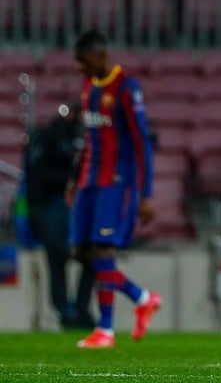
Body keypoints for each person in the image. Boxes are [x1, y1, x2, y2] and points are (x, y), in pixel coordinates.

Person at [65, 30, 161, 349]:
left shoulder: (126, 88)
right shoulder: (88, 87)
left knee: (103, 250)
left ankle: (105, 329)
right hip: (89, 183)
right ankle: (142, 298)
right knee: (80, 252)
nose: (80, 68)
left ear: (99, 56)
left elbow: (142, 143)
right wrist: (73, 180)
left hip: (116, 185)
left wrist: (146, 194)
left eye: (84, 62)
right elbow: (87, 138)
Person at [23, 101, 95, 329]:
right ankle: (67, 311)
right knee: (58, 257)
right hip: (51, 206)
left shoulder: (82, 138)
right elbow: (37, 172)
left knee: (91, 257)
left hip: (72, 207)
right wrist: (70, 181)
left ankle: (79, 309)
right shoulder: (47, 137)